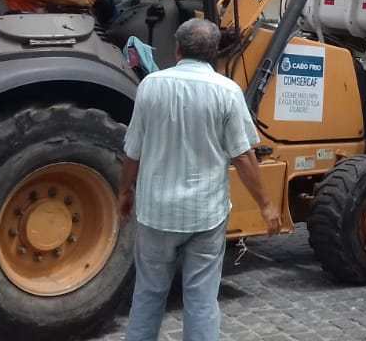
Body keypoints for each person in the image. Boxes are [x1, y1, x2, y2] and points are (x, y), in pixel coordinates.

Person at [119, 18, 282, 341]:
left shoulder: (150, 85)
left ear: (178, 49)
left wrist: (125, 191)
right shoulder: (228, 92)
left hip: (155, 214)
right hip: (205, 216)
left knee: (148, 294)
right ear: (215, 52)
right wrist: (266, 205)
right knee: (202, 300)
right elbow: (243, 155)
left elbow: (133, 150)